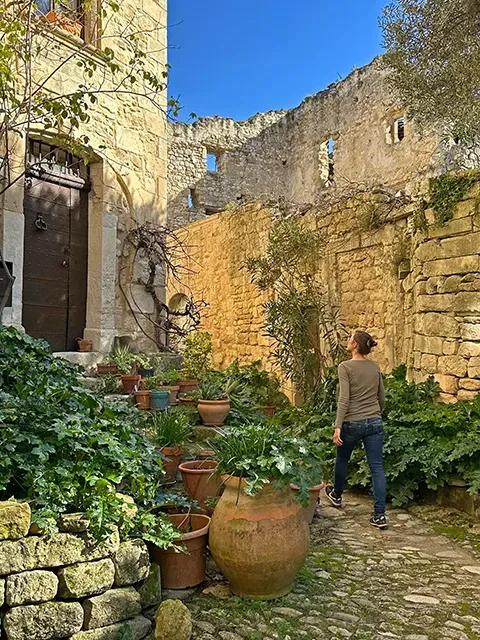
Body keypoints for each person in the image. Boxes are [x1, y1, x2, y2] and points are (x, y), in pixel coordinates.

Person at [325, 330, 387, 529]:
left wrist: (338, 426)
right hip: (374, 421)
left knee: (342, 459)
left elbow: (344, 399)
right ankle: (379, 515)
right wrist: (376, 413)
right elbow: (381, 397)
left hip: (352, 422)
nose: (347, 340)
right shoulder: (375, 367)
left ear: (355, 345)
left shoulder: (345, 367)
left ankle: (336, 494)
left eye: (350, 338)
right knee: (377, 467)